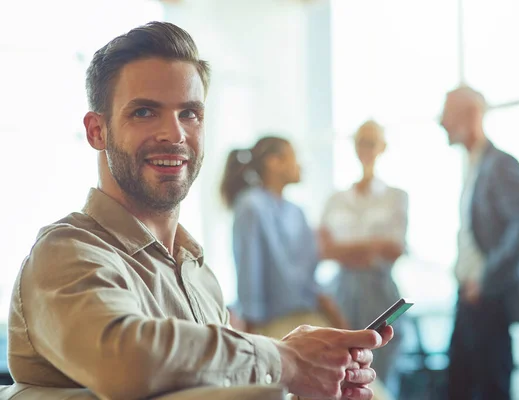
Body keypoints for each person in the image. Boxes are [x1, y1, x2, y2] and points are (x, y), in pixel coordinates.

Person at [7, 21, 393, 400]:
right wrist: (286, 360)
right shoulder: (67, 252)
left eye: (189, 113)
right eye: (144, 112)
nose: (174, 134)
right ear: (97, 131)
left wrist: (308, 386)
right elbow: (129, 362)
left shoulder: (199, 276)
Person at [440, 86, 519, 399]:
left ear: (470, 114)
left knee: (489, 389)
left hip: (487, 301)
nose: (441, 122)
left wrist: (486, 277)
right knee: (457, 387)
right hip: (468, 300)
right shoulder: (474, 166)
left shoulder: (499, 163)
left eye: (447, 114)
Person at [220, 136, 349, 338]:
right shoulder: (251, 206)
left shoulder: (297, 211)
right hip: (273, 324)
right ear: (274, 162)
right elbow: (249, 271)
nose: (300, 164)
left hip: (308, 315)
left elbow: (308, 275)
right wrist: (252, 331)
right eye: (294, 157)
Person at [319, 120, 408, 394]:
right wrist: (371, 247)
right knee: (345, 372)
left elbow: (395, 248)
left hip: (383, 293)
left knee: (382, 374)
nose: (366, 148)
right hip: (342, 294)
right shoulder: (336, 199)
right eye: (361, 141)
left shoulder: (396, 196)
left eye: (371, 142)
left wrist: (347, 250)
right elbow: (324, 250)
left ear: (382, 147)